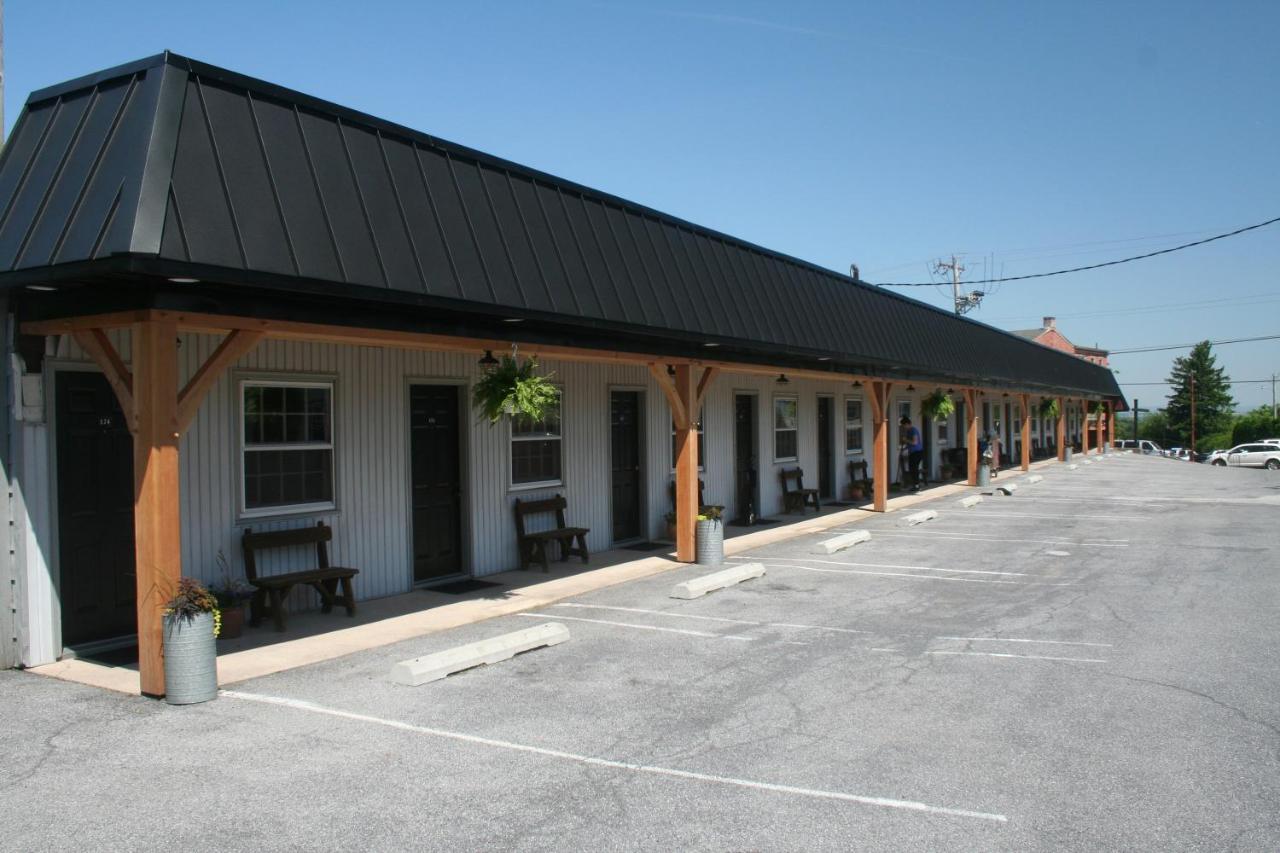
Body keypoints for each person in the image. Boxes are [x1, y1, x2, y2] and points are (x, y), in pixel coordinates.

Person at [900, 416, 925, 491]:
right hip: (913, 452)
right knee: (913, 469)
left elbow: (915, 442)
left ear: (907, 424)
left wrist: (906, 440)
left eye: (904, 425)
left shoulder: (913, 430)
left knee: (914, 469)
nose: (904, 427)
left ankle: (917, 485)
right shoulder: (909, 431)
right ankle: (916, 485)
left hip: (917, 452)